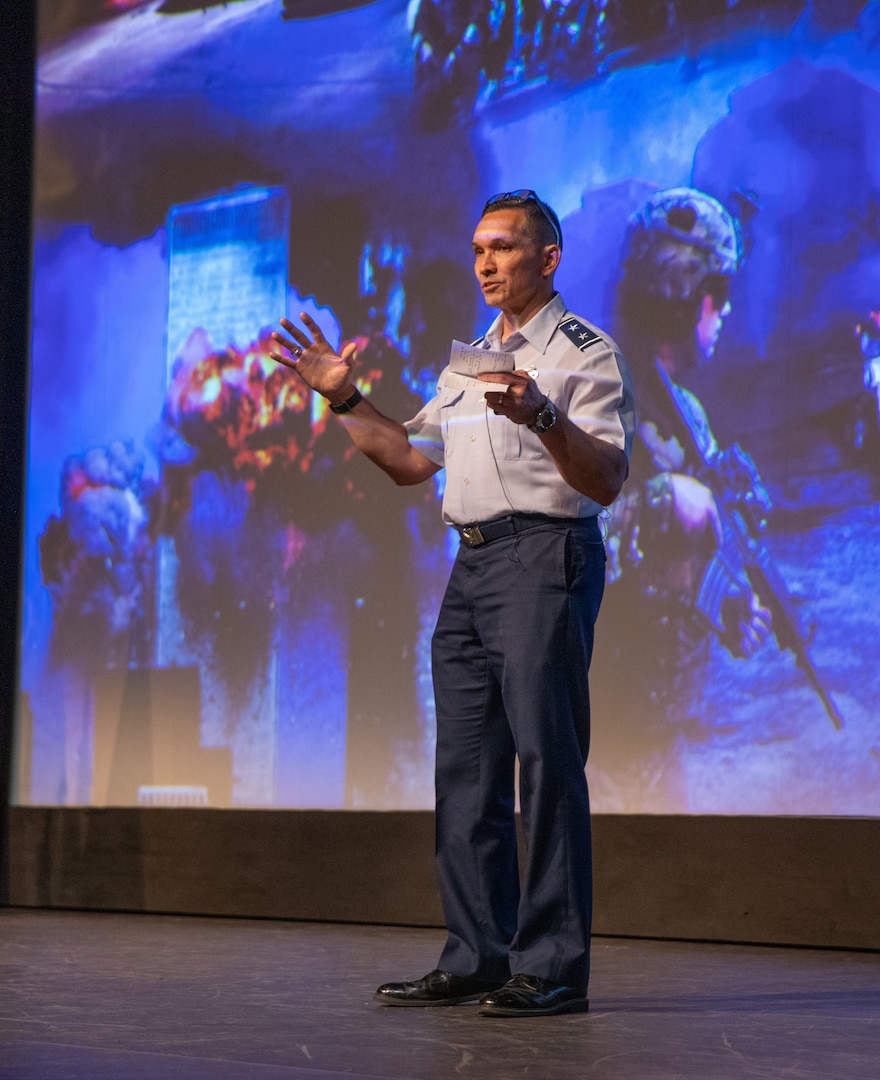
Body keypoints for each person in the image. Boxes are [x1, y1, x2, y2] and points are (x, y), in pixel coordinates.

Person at [270, 189, 634, 1017]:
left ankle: (551, 967)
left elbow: (608, 479)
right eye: (478, 248)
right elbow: (407, 458)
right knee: (466, 774)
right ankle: (477, 954)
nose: (486, 261)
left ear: (548, 258)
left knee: (546, 767)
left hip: (547, 555)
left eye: (504, 247)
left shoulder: (585, 353)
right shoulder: (467, 363)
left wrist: (543, 415)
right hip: (470, 568)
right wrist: (343, 398)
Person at [594, 187, 772, 805]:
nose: (723, 313)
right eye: (715, 296)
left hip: (652, 734)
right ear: (677, 295)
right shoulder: (596, 393)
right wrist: (662, 502)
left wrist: (721, 603)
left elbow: (669, 567)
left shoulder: (686, 412)